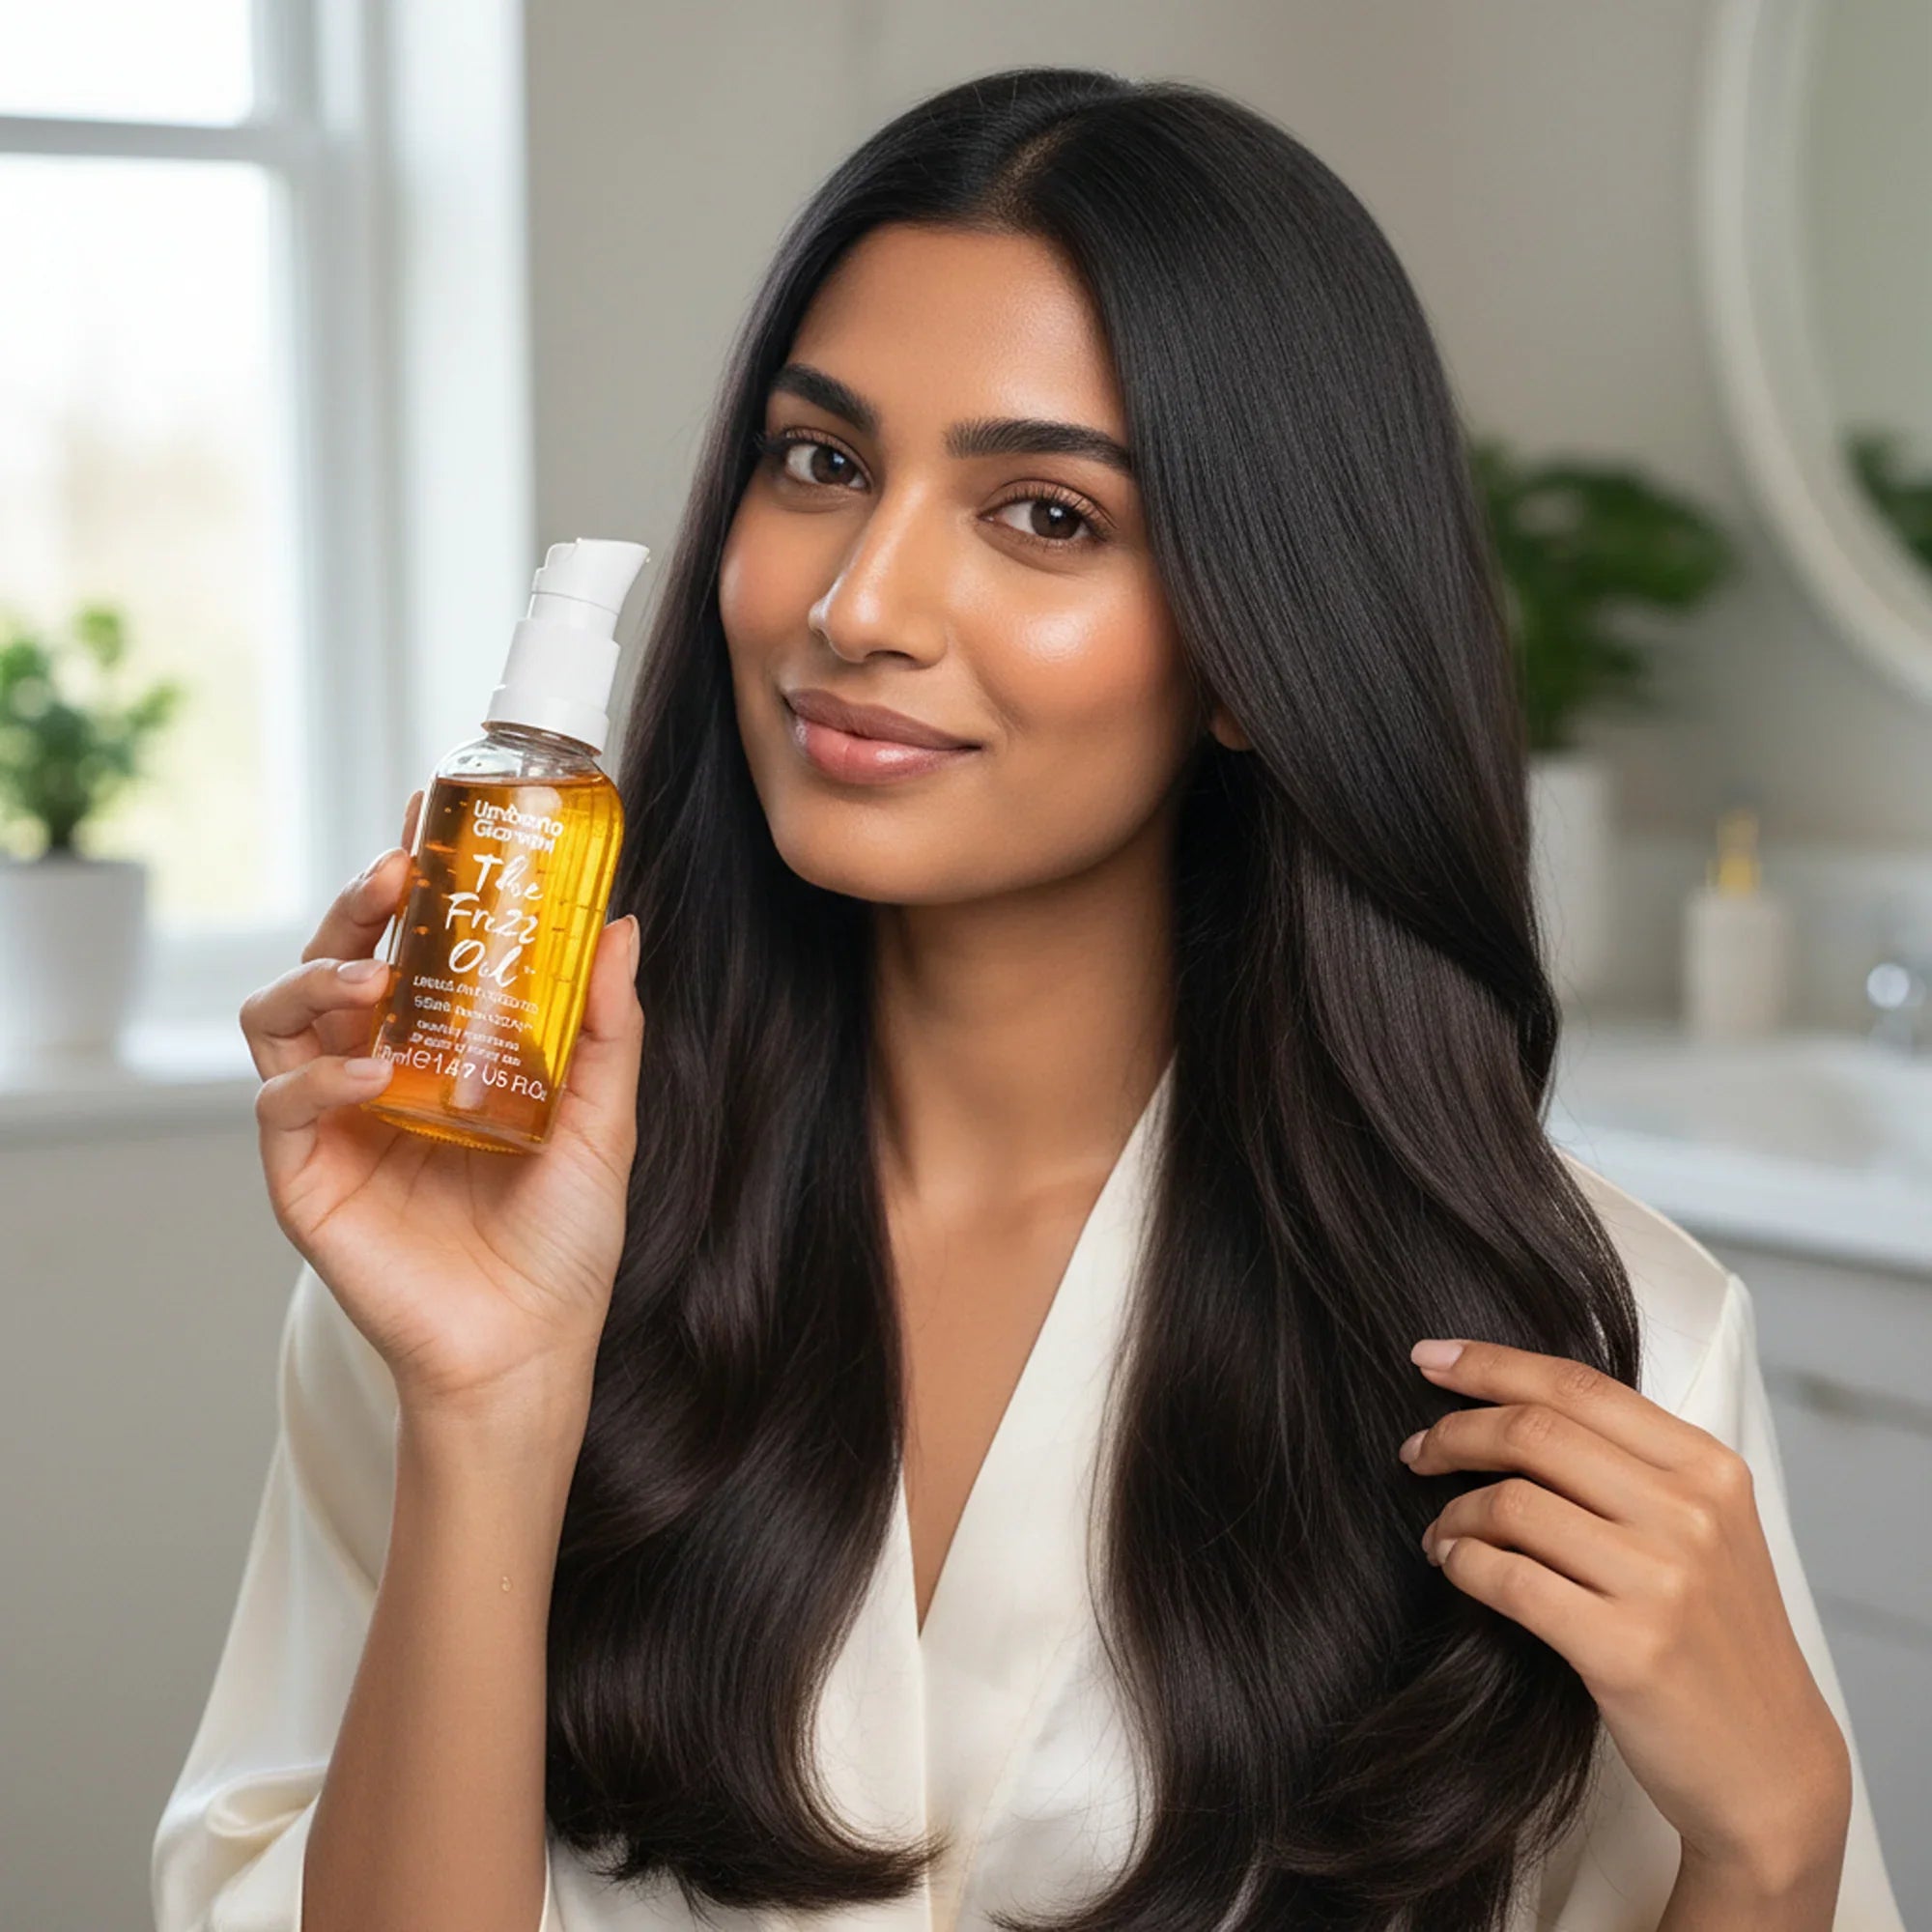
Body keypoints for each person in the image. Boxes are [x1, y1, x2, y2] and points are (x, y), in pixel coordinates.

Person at [152, 65, 1905, 1932]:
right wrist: (489, 1416)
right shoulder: (486, 1228)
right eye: (820, 463)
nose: (862, 604)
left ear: (1259, 643)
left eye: (1047, 515)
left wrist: (1775, 1841)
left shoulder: (1595, 1341)